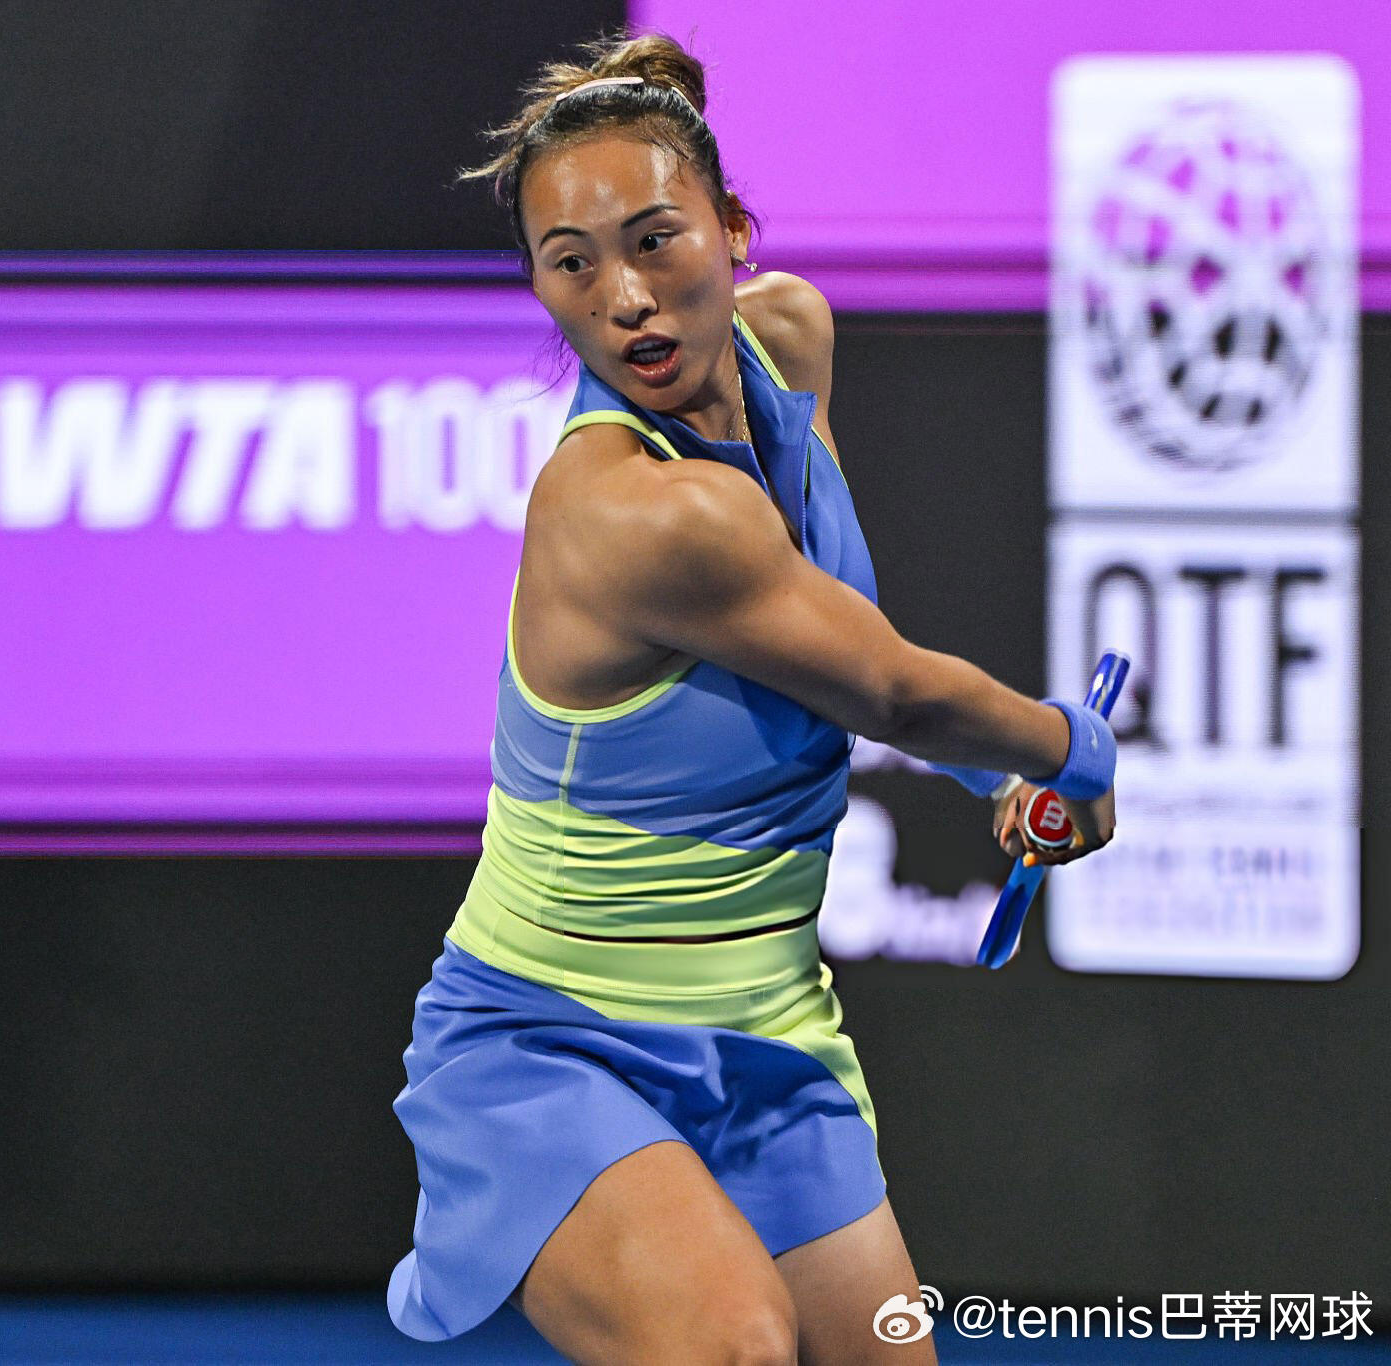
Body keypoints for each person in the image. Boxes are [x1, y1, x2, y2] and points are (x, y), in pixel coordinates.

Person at [386, 33, 1117, 1365]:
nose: (625, 298)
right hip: (551, 1040)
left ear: (731, 228)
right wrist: (1073, 747)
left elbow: (836, 640)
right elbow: (891, 689)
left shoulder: (789, 341)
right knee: (736, 1346)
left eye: (656, 241)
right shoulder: (636, 512)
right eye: (571, 264)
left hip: (769, 1035)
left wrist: (999, 776)